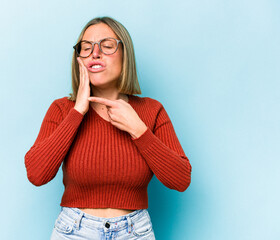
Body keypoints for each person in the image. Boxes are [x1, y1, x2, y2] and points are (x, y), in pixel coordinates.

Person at [24, 16, 192, 240]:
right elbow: (37, 174)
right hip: (73, 232)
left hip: (135, 232)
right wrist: (78, 111)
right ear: (79, 60)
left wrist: (139, 130)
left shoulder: (151, 111)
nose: (95, 53)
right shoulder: (62, 109)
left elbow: (181, 180)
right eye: (86, 48)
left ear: (125, 55)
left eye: (107, 46)